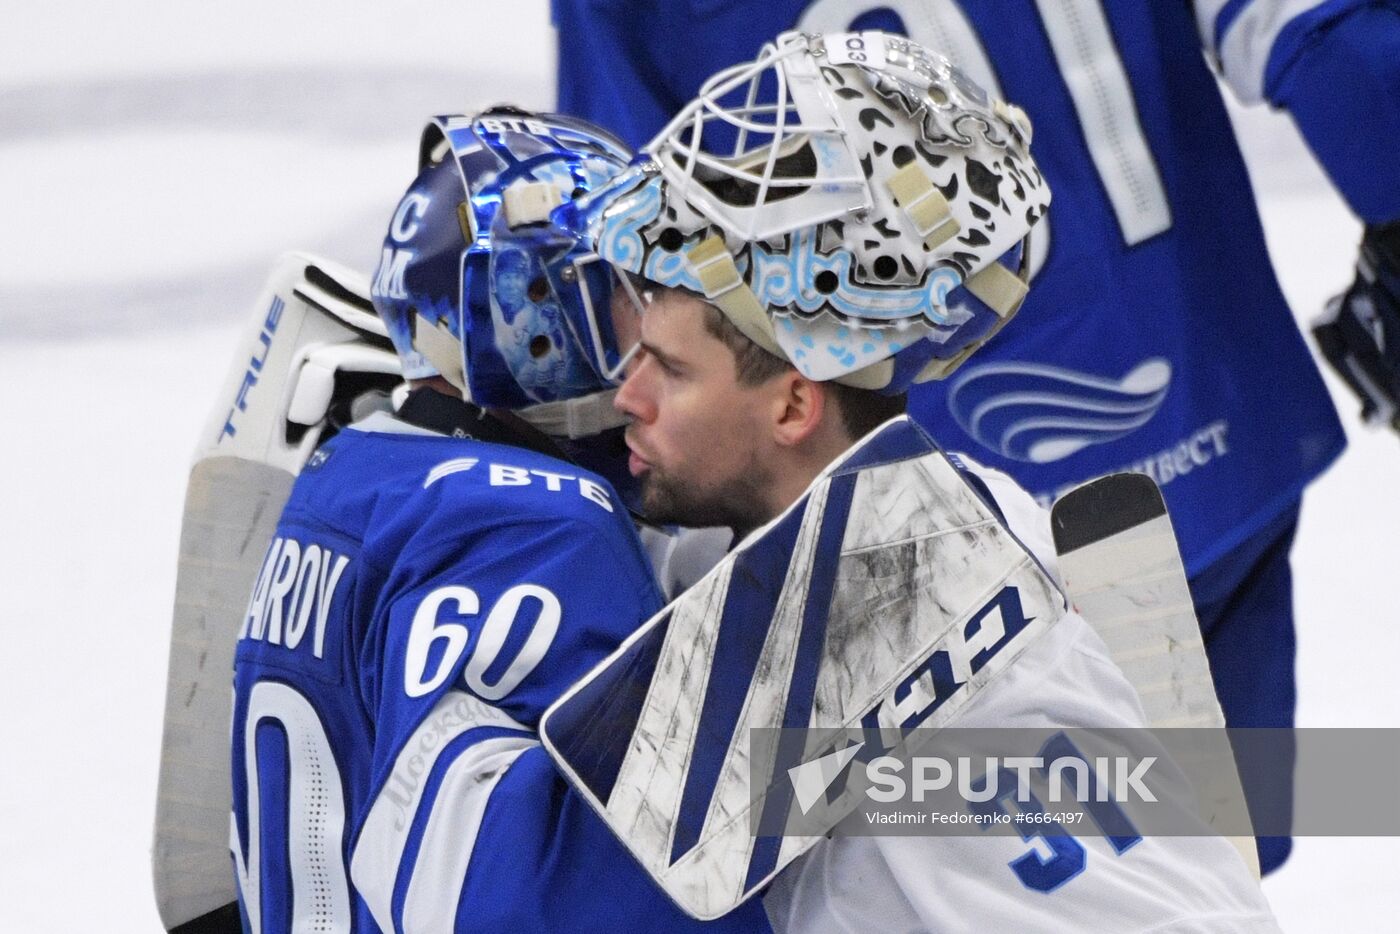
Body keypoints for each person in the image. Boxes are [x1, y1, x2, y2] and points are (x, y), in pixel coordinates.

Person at [553, 0, 1400, 874]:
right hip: (1205, 435)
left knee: (962, 883)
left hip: (914, 537)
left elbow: (644, 237)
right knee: (1199, 859)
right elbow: (1345, 57)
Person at [227, 107, 766, 932]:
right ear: (529, 316)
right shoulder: (538, 527)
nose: (647, 328)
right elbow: (567, 878)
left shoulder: (346, 472)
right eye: (622, 297)